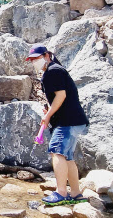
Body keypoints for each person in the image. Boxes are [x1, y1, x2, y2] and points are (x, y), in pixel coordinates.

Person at [26, 45, 89, 206]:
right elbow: (60, 97)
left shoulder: (53, 71)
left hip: (67, 121)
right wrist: (49, 110)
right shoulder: (54, 71)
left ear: (46, 55)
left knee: (56, 151)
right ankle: (75, 193)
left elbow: (61, 95)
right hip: (75, 120)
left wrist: (47, 116)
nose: (34, 62)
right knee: (67, 156)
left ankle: (61, 192)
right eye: (32, 60)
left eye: (36, 58)